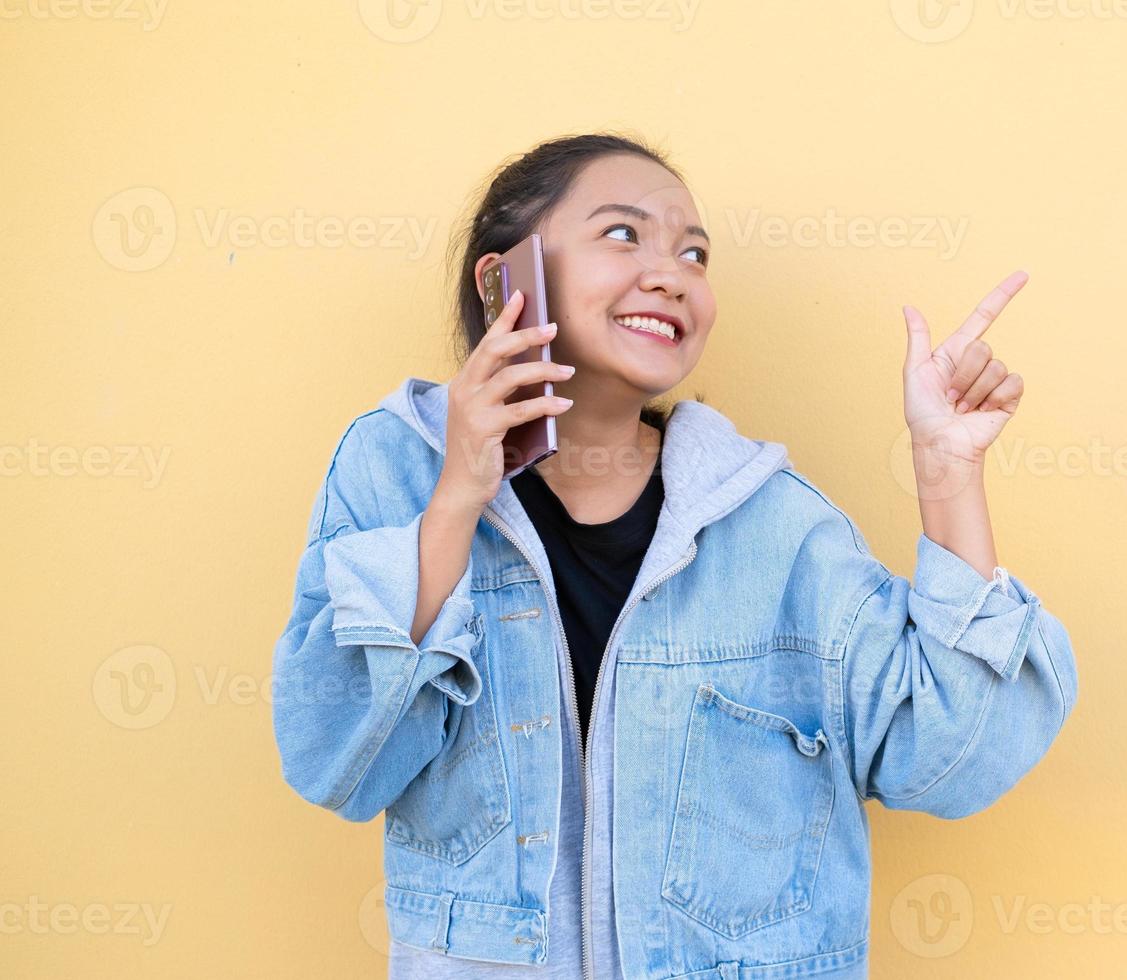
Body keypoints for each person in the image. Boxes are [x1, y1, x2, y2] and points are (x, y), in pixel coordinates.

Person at [270, 132, 1079, 979]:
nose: (672, 272)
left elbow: (953, 759)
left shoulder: (777, 525)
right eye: (623, 235)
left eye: (693, 253)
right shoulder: (395, 466)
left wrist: (947, 473)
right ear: (503, 277)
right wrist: (457, 499)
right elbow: (334, 760)